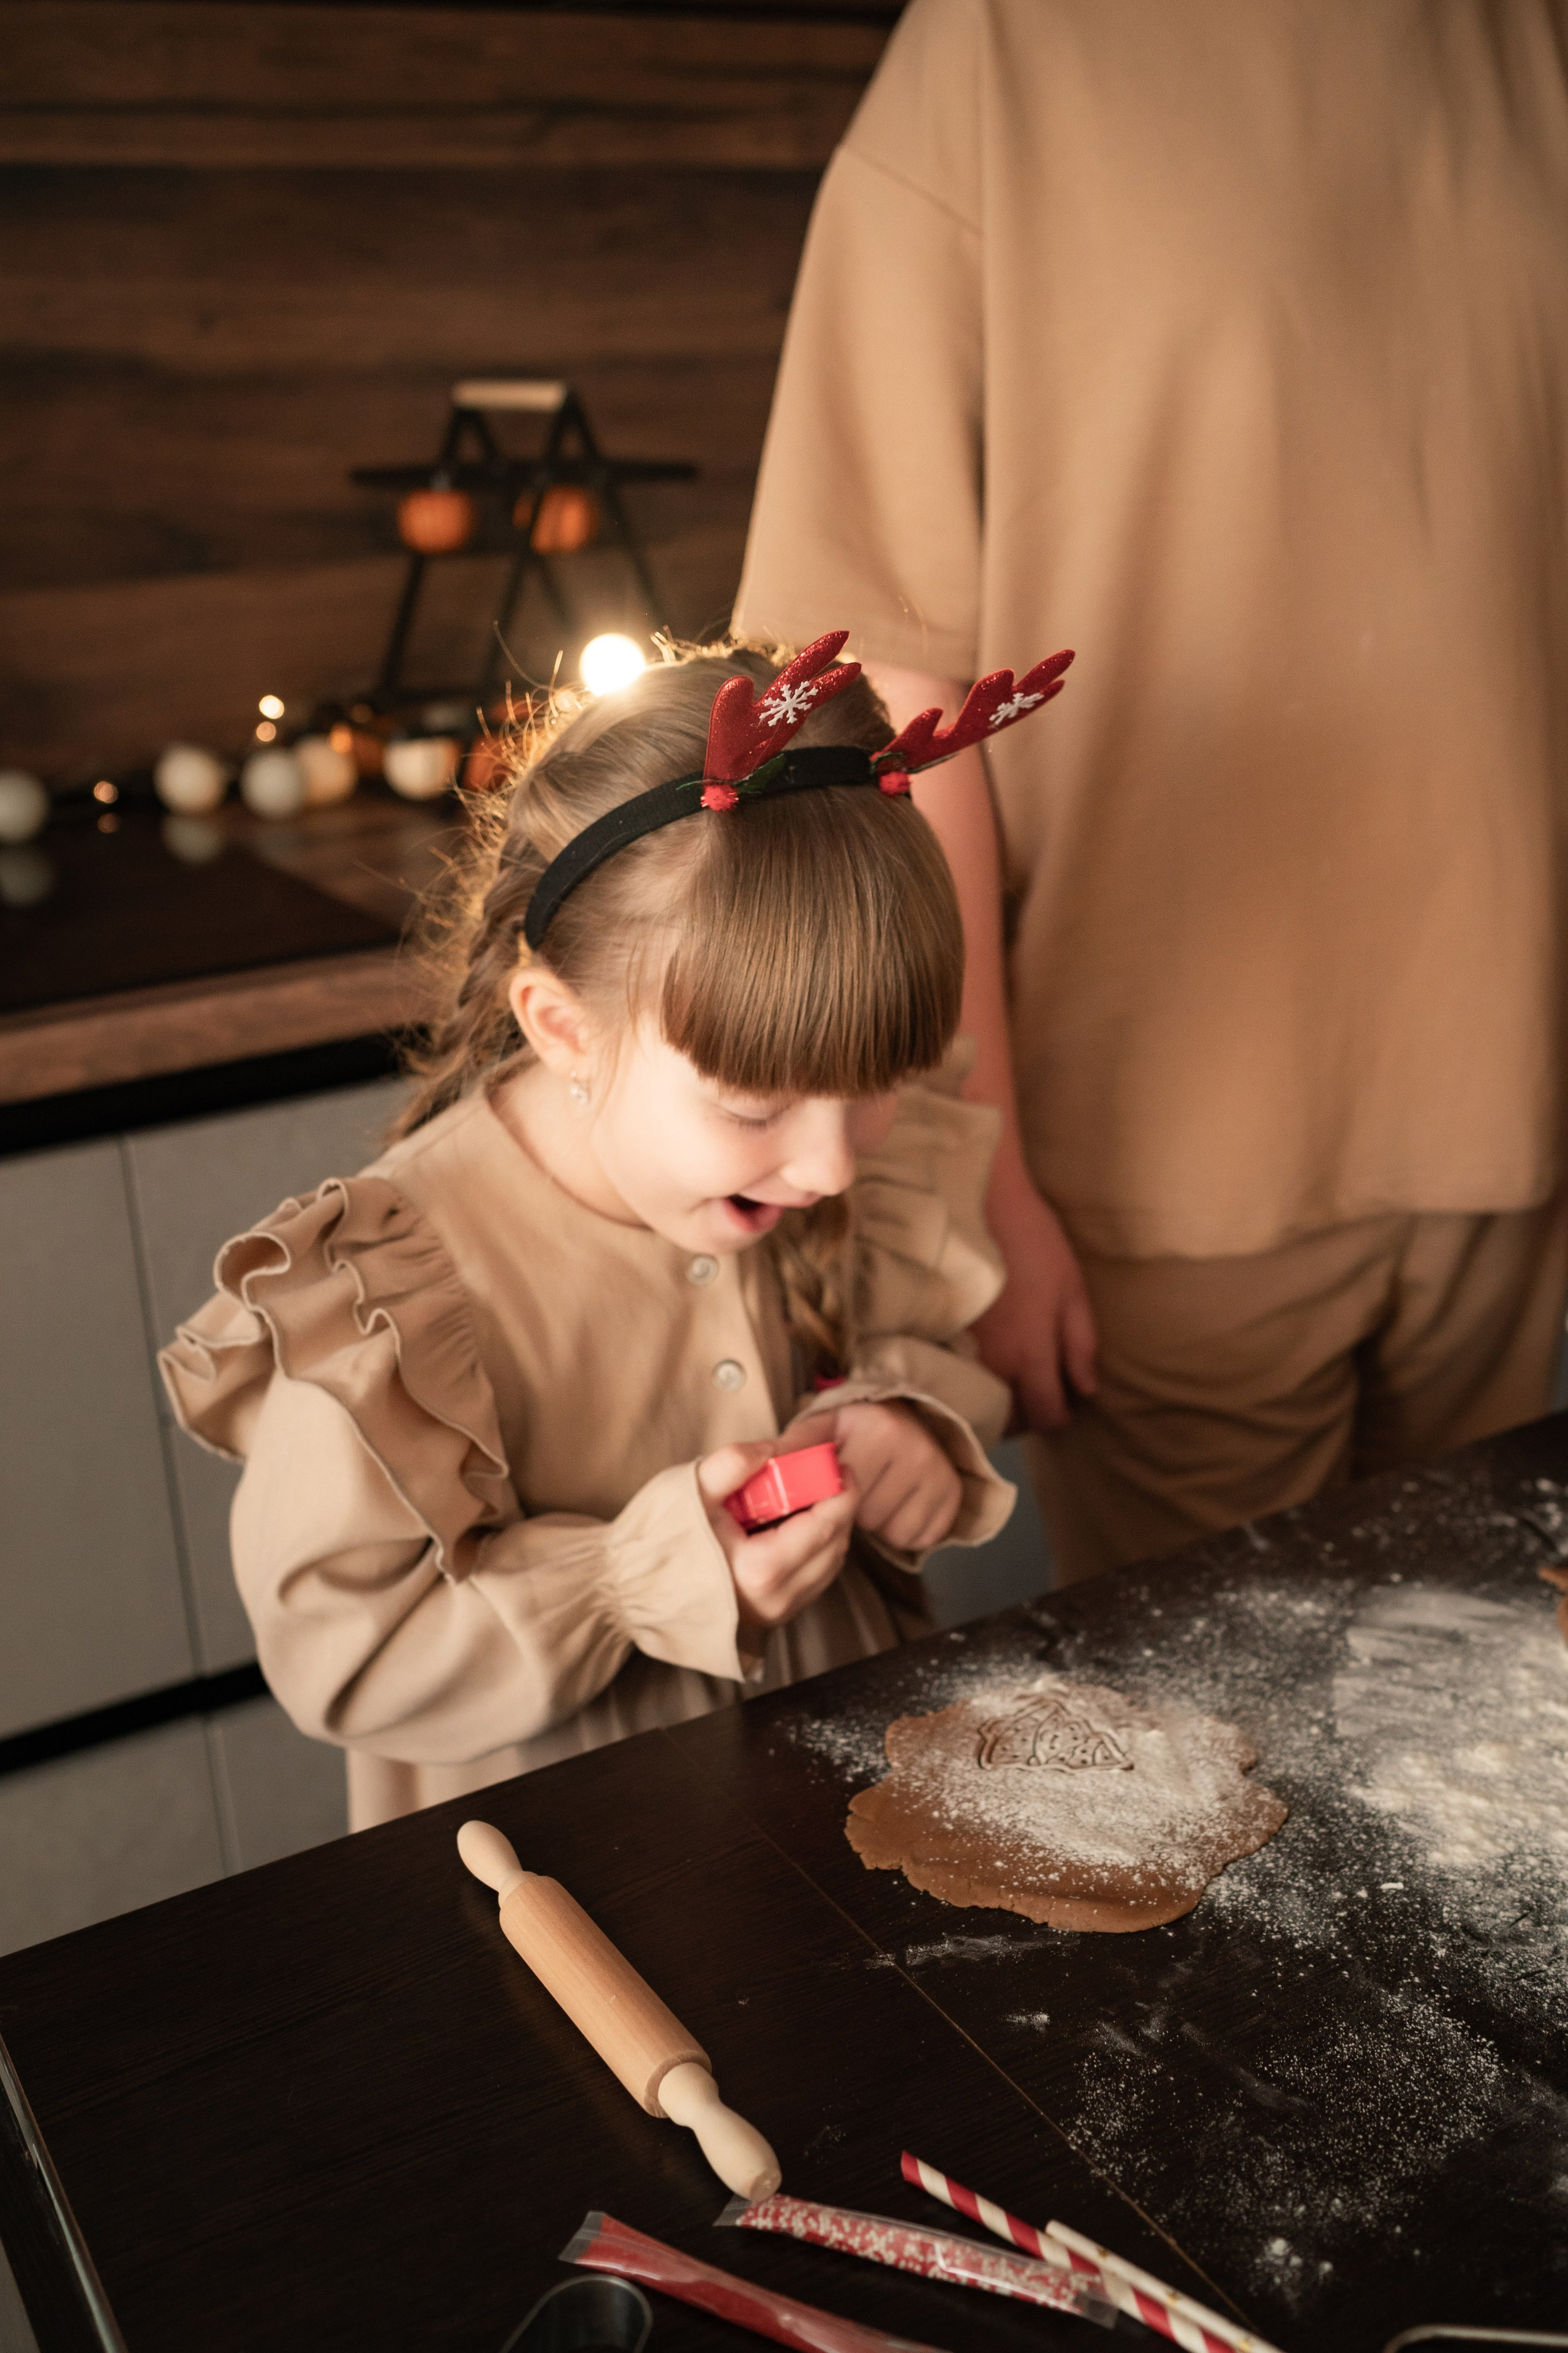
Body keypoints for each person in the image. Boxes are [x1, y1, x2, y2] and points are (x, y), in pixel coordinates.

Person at [734, 0, 1568, 1581]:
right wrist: (986, 1172)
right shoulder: (996, 52)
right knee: (1229, 1787)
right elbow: (902, 701)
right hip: (1172, 1178)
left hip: (1515, 1129)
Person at [159, 638, 1059, 1831]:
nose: (831, 1164)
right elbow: (350, 1656)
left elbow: (928, 1332)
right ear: (562, 1027)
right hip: (570, 1879)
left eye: (877, 1083)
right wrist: (637, 1579)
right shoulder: (384, 1286)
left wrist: (898, 1422)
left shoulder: (816, 1156)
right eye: (752, 1107)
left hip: (845, 1809)